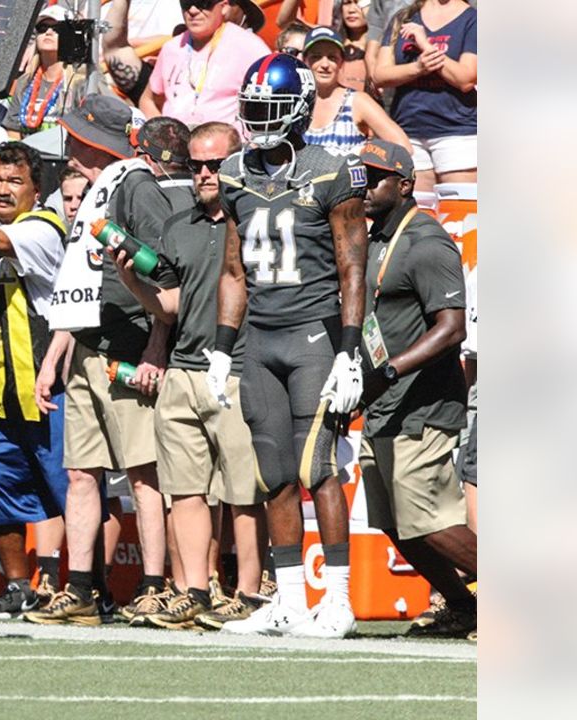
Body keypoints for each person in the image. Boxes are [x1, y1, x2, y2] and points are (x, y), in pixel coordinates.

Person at [210, 54, 369, 638]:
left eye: (270, 109)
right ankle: (290, 601)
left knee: (317, 467)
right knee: (273, 470)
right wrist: (224, 346)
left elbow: (354, 269)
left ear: (300, 109)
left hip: (313, 338)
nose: (259, 120)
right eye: (253, 109)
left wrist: (349, 350)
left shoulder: (333, 171)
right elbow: (233, 270)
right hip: (261, 340)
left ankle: (339, 600)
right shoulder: (233, 172)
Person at [27, 103, 192, 627]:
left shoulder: (135, 185)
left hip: (130, 344)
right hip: (87, 347)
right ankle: (78, 588)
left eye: (77, 139)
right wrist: (54, 356)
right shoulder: (98, 189)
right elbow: (76, 282)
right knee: (80, 472)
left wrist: (157, 346)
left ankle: (153, 587)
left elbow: (171, 275)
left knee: (143, 474)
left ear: (98, 142)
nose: (70, 150)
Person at [111, 121, 268, 630]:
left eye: (214, 164)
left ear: (236, 163)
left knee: (245, 492)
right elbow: (171, 305)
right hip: (183, 371)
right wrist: (131, 279)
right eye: (196, 164)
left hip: (241, 369)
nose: (203, 173)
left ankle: (249, 591)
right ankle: (195, 589)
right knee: (185, 490)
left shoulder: (255, 218)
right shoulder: (180, 226)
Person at [356, 139, 476, 638]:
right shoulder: (376, 237)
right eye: (360, 174)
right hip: (383, 403)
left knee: (428, 518)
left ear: (405, 186)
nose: (364, 184)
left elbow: (452, 329)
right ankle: (462, 606)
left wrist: (389, 371)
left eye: (376, 176)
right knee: (392, 519)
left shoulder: (426, 241)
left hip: (422, 404)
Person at [0, 142, 68, 619]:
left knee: (73, 489)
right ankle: (17, 585)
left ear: (36, 189)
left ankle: (91, 585)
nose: (2, 190)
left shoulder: (43, 228)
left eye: (14, 181)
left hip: (47, 387)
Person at [372, 0, 476, 208]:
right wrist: (418, 68)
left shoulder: (473, 20)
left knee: (460, 222)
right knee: (420, 222)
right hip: (410, 133)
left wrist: (425, 44)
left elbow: (466, 78)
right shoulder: (403, 18)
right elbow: (379, 74)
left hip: (457, 134)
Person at [141, 0, 270, 127]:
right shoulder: (171, 47)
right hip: (175, 144)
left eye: (203, 3)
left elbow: (273, 104)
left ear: (224, 6)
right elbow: (147, 100)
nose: (192, 10)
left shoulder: (249, 47)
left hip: (227, 146)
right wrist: (160, 133)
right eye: (186, 3)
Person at [302, 26, 409, 157]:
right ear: (305, 61)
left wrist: (365, 159)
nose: (325, 64)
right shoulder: (295, 102)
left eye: (332, 57)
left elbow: (403, 146)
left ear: (341, 62)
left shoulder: (357, 101)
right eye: (316, 57)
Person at [3, 5, 88, 138]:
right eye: (42, 28)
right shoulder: (24, 82)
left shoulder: (80, 82)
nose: (48, 32)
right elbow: (13, 131)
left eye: (57, 29)